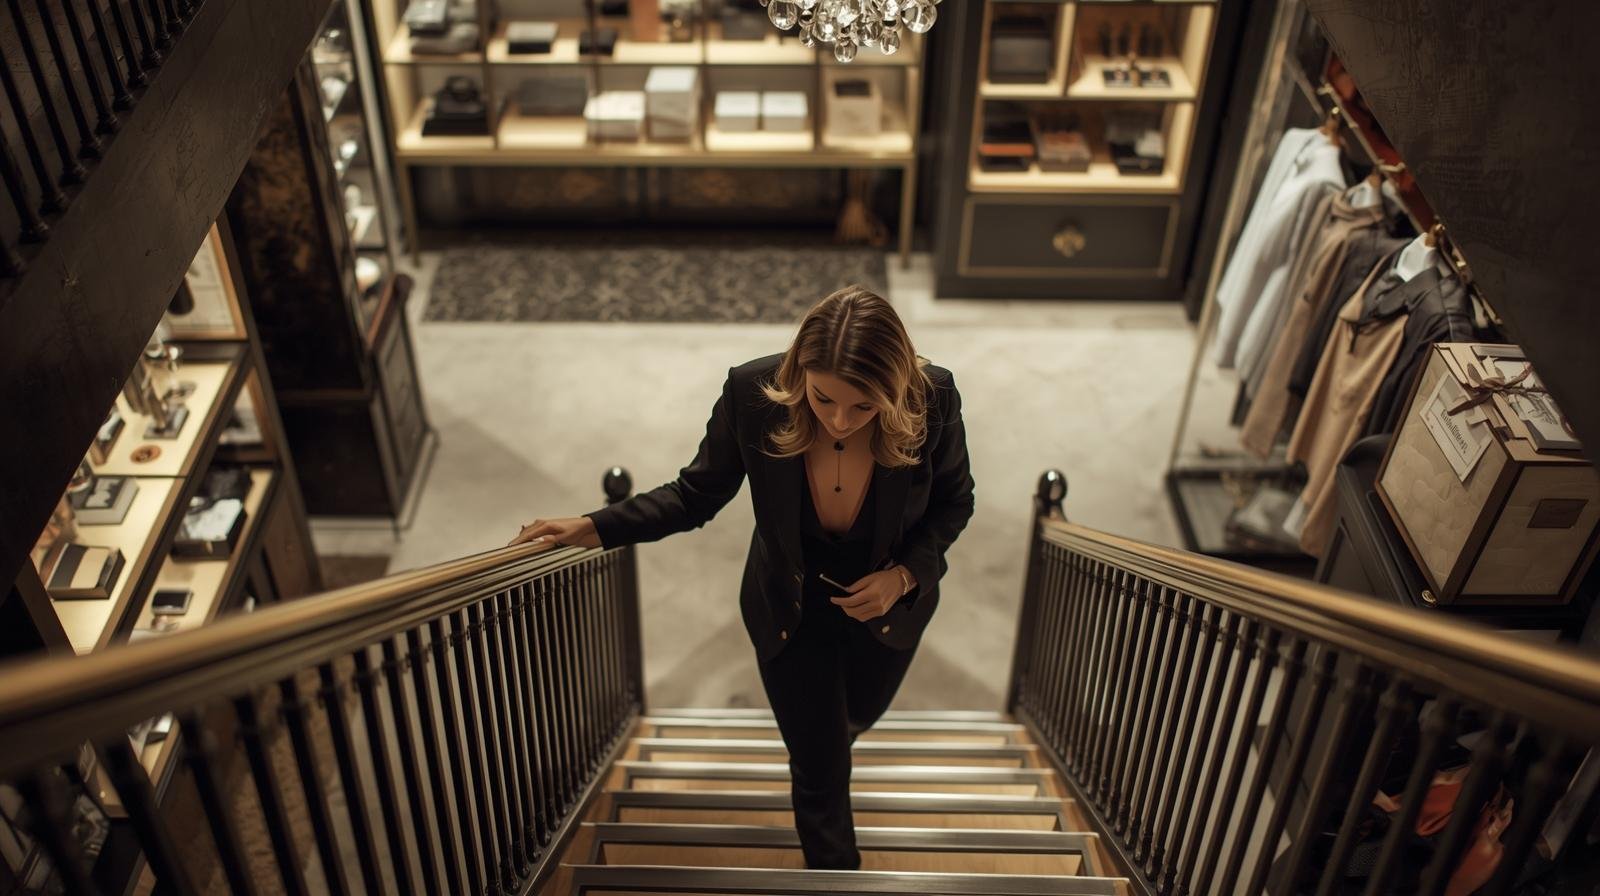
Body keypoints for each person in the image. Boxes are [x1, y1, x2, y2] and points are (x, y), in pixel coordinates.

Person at [508, 285, 975, 869]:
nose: (839, 421)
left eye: (863, 407)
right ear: (800, 368)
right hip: (789, 611)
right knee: (820, 771)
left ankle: (831, 736)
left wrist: (905, 576)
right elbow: (695, 494)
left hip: (888, 616)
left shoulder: (934, 398)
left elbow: (955, 502)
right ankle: (837, 875)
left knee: (853, 720)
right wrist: (596, 526)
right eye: (825, 398)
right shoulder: (752, 395)